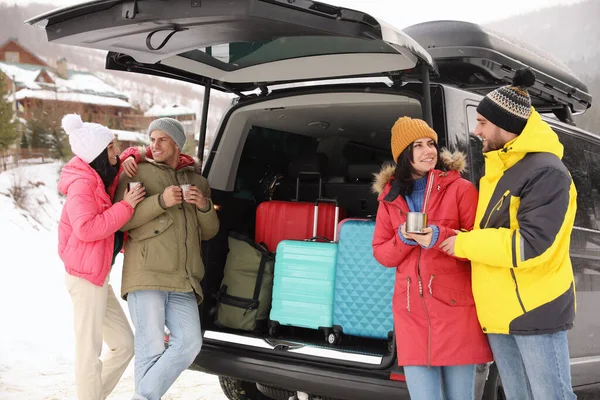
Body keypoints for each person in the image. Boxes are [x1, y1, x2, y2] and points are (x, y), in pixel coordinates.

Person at [440, 68, 578, 400]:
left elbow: (530, 245)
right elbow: (490, 230)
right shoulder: (500, 168)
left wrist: (464, 243)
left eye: (483, 123)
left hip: (534, 309)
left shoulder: (546, 172)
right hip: (500, 313)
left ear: (507, 126)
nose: (476, 131)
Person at [371, 117, 492, 400]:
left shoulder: (461, 189)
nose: (429, 151)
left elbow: (479, 245)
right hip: (411, 311)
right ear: (404, 154)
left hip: (455, 310)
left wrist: (440, 236)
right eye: (419, 145)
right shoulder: (389, 198)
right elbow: (381, 253)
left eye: (432, 144)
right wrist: (402, 238)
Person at [114, 117, 220, 400]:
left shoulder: (198, 181)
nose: (155, 145)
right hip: (146, 274)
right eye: (152, 139)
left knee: (189, 342)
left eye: (162, 139)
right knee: (150, 349)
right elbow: (123, 219)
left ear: (177, 144)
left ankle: (142, 396)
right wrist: (162, 201)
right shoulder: (138, 172)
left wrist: (204, 206)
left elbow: (208, 233)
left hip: (184, 278)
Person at [58, 113, 146, 400]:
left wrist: (131, 155)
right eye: (111, 148)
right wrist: (126, 206)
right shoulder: (83, 185)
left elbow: (127, 157)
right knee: (88, 353)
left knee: (125, 345)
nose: (116, 152)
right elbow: (86, 228)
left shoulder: (97, 176)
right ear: (97, 154)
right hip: (85, 279)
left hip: (97, 277)